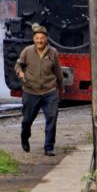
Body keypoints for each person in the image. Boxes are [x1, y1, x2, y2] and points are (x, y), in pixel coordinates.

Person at [15, 23, 64, 156]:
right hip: (31, 91)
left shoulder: (52, 52)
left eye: (42, 38)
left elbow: (58, 71)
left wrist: (61, 88)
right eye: (37, 38)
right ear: (34, 39)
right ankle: (24, 137)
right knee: (27, 120)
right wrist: (20, 73)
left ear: (46, 39)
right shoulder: (27, 51)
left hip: (50, 91)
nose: (39, 41)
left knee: (52, 118)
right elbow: (18, 65)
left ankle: (49, 147)